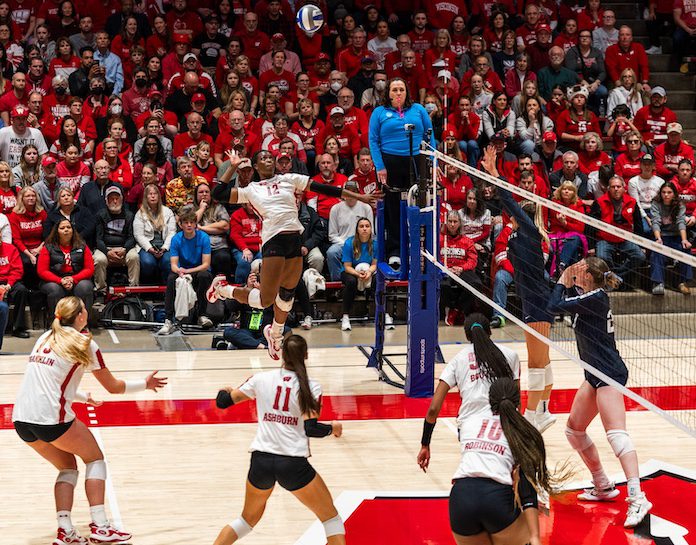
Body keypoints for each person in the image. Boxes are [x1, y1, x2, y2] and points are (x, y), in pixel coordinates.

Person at [12, 295, 166, 545]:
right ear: (81, 316)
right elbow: (114, 388)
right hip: (51, 419)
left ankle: (66, 531)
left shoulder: (44, 337)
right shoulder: (85, 343)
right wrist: (145, 384)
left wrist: (83, 398)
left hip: (21, 420)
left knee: (67, 467)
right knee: (95, 458)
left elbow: (48, 382)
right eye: (85, 309)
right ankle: (101, 527)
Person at [208, 150, 380, 360]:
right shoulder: (250, 189)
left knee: (287, 295)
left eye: (271, 157)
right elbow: (218, 193)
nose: (268, 160)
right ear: (254, 166)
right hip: (273, 240)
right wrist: (233, 166)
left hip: (294, 240)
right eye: (263, 158)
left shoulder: (289, 179)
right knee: (265, 300)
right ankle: (222, 289)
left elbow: (328, 190)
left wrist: (360, 197)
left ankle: (276, 334)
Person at [416, 314, 545, 545]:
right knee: (514, 469)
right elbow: (514, 399)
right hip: (505, 424)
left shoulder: (458, 360)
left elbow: (433, 409)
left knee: (478, 459)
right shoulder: (511, 356)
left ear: (467, 336)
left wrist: (425, 444)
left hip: (469, 431)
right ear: (491, 331)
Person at [547, 258, 652, 528]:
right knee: (574, 430)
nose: (575, 268)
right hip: (594, 374)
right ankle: (603, 485)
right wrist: (562, 280)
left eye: (580, 266)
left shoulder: (595, 298)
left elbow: (554, 306)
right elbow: (563, 298)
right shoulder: (586, 295)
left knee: (616, 435)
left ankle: (637, 497)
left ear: (589, 276)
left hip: (608, 374)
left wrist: (560, 282)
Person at [212, 334, 345, 545]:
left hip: (261, 460)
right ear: (306, 356)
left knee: (245, 521)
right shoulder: (311, 386)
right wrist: (332, 428)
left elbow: (223, 403)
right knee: (332, 520)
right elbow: (311, 429)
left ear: (281, 354)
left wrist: (224, 390)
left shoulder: (261, 379)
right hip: (292, 463)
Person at [481, 145, 555, 433]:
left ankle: (530, 414)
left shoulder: (531, 232)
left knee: (536, 364)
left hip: (537, 304)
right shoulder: (520, 235)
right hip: (534, 302)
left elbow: (510, 201)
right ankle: (544, 410)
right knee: (542, 361)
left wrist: (495, 174)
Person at [368, 77, 435, 267]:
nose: (398, 93)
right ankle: (395, 251)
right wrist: (380, 166)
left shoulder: (419, 110)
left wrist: (432, 164)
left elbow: (430, 137)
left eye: (401, 89)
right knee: (392, 208)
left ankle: (418, 249)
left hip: (416, 162)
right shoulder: (379, 112)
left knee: (417, 205)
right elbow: (373, 141)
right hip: (389, 165)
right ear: (388, 93)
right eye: (395, 90)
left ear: (407, 92)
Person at [157, 208, 215, 334]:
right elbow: (173, 265)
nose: (189, 225)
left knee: (204, 276)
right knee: (171, 278)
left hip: (198, 270)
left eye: (191, 222)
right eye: (186, 222)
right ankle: (168, 320)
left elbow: (206, 264)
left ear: (195, 224)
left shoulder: (203, 237)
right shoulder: (176, 239)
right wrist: (180, 271)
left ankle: (202, 315)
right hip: (182, 271)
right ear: (181, 225)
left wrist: (189, 271)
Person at [38, 219, 95, 316]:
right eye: (62, 228)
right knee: (54, 290)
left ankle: (83, 323)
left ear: (73, 230)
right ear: (57, 231)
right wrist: (60, 280)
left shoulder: (82, 246)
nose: (66, 230)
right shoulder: (48, 247)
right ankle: (56, 323)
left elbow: (89, 269)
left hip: (77, 278)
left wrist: (73, 279)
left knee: (85, 287)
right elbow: (42, 271)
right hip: (55, 280)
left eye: (68, 227)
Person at [93, 186, 139, 293]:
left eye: (117, 198)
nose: (114, 201)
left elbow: (132, 237)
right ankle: (101, 290)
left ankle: (134, 290)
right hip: (106, 248)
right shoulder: (101, 215)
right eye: (111, 198)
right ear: (106, 200)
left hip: (124, 248)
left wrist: (125, 249)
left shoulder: (129, 215)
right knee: (99, 260)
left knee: (134, 257)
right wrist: (107, 252)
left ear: (121, 199)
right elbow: (98, 239)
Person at [650, 181, 693, 295]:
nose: (666, 195)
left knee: (686, 249)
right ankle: (658, 282)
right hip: (662, 236)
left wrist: (684, 239)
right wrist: (658, 239)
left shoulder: (680, 204)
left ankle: (683, 282)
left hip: (676, 236)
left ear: (674, 194)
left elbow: (681, 222)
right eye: (664, 192)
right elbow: (655, 222)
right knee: (656, 251)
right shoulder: (656, 203)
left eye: (669, 192)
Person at [339, 217, 377, 332]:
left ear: (371, 229)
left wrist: (369, 272)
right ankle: (345, 316)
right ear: (357, 230)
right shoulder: (349, 243)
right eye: (361, 226)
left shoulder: (375, 244)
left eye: (367, 226)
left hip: (368, 270)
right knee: (351, 282)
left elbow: (375, 264)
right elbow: (347, 266)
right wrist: (357, 274)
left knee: (378, 280)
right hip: (350, 271)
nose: (364, 229)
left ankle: (383, 314)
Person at [133, 184, 176, 284]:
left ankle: (167, 291)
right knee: (148, 263)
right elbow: (138, 235)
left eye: (155, 193)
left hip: (165, 246)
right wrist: (150, 249)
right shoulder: (140, 213)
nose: (153, 196)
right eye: (150, 194)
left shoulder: (167, 212)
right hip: (147, 246)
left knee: (168, 261)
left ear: (159, 196)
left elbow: (172, 232)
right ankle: (149, 292)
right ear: (146, 197)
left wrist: (164, 248)